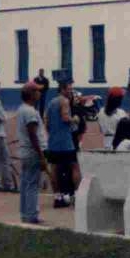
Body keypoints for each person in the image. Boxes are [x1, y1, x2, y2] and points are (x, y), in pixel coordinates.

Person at [16, 83, 50, 225]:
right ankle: (31, 216)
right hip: (32, 153)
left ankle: (25, 214)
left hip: (26, 152)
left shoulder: (23, 109)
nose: (40, 93)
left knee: (26, 184)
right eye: (37, 91)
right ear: (32, 94)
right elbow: (33, 135)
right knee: (32, 185)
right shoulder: (30, 112)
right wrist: (41, 156)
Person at [45, 78, 80, 208]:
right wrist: (75, 119)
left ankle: (57, 197)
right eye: (69, 89)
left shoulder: (51, 102)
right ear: (63, 89)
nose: (71, 92)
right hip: (65, 142)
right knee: (74, 166)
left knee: (54, 168)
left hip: (53, 141)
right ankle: (76, 196)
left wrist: (52, 132)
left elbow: (46, 122)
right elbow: (66, 118)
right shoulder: (64, 101)